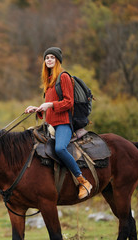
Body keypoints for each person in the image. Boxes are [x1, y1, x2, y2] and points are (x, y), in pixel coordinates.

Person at [25, 47, 92, 199]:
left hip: (63, 124)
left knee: (60, 148)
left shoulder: (64, 77)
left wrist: (50, 105)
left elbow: (68, 102)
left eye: (52, 57)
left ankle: (83, 181)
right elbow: (50, 106)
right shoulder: (49, 81)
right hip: (50, 124)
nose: (48, 60)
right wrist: (37, 109)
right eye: (46, 57)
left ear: (58, 60)